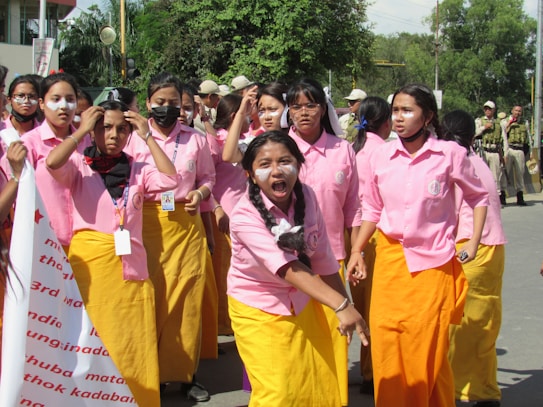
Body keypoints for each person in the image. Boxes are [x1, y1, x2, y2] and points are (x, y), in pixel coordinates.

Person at [347, 83, 489, 407]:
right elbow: (371, 208)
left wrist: (475, 241)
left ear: (427, 117)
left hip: (433, 266)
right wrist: (357, 250)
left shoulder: (449, 154)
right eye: (395, 110)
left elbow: (478, 196)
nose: (398, 118)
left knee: (425, 349)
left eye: (407, 110)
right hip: (390, 262)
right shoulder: (381, 156)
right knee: (386, 343)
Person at [46, 100, 177, 407]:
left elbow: (171, 180)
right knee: (91, 342)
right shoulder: (79, 164)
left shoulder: (139, 169)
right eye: (105, 128)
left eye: (122, 129)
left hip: (130, 271)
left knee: (132, 344)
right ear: (94, 131)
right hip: (90, 271)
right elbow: (52, 163)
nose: (114, 135)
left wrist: (147, 137)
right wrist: (79, 133)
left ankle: (138, 398)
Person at [227, 130, 369, 406]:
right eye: (265, 164)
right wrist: (341, 306)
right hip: (258, 308)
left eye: (285, 161)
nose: (277, 171)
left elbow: (323, 259)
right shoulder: (244, 215)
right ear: (250, 174)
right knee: (278, 393)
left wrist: (344, 305)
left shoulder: (308, 196)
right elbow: (287, 268)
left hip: (303, 304)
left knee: (313, 385)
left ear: (299, 165)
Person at [125, 72, 215, 402]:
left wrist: (201, 193)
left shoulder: (195, 139)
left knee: (186, 302)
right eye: (160, 102)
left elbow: (208, 177)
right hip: (144, 225)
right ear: (148, 103)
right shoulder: (132, 139)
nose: (166, 108)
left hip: (186, 224)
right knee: (153, 300)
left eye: (173, 103)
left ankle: (186, 375)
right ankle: (154, 375)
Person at [286, 78, 361, 406]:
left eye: (311, 104)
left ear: (323, 108)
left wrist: (357, 251)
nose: (304, 112)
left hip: (333, 259)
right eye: (297, 105)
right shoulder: (277, 148)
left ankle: (333, 399)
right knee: (297, 339)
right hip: (289, 264)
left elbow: (355, 207)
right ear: (288, 110)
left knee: (335, 334)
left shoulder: (342, 149)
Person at [442, 110, 506, 407]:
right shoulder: (477, 161)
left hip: (468, 247)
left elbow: (446, 216)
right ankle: (483, 389)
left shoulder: (452, 163)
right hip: (492, 249)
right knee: (484, 323)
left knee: (458, 324)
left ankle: (461, 389)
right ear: (472, 136)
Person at [17, 72, 90, 249]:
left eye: (70, 99)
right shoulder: (29, 143)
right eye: (56, 99)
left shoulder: (88, 141)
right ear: (41, 103)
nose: (64, 106)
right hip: (43, 241)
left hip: (85, 240)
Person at [350, 96, 391, 395]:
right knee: (379, 306)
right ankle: (375, 370)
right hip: (375, 234)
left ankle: (367, 370)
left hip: (351, 233)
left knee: (361, 304)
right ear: (386, 122)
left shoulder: (352, 150)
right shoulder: (386, 152)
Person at [475, 100, 507, 206]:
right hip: (483, 150)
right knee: (482, 176)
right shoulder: (479, 121)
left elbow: (504, 139)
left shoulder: (499, 123)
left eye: (489, 109)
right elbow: (474, 133)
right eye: (486, 109)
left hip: (494, 151)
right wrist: (484, 127)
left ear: (493, 110)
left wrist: (505, 154)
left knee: (495, 176)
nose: (487, 111)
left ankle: (496, 198)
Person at [501, 104, 531, 206]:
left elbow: (528, 137)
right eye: (516, 110)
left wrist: (530, 152)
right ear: (512, 111)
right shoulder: (505, 121)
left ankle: (520, 195)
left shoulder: (524, 123)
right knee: (505, 173)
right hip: (509, 148)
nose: (517, 113)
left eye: (519, 111)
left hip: (519, 149)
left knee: (520, 173)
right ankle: (503, 195)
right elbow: (504, 134)